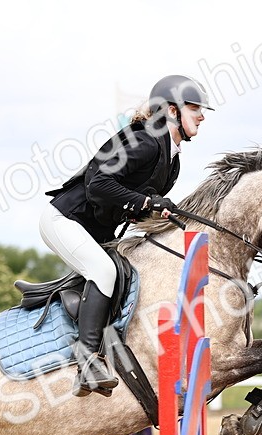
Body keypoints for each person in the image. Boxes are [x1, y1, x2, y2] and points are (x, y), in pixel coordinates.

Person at [42, 74, 212, 397]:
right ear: (172, 112)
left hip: (94, 230)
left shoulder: (171, 162)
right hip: (64, 219)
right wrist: (146, 202)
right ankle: (87, 361)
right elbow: (98, 185)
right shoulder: (144, 141)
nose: (202, 116)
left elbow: (126, 203)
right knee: (103, 271)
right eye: (195, 109)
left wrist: (152, 210)